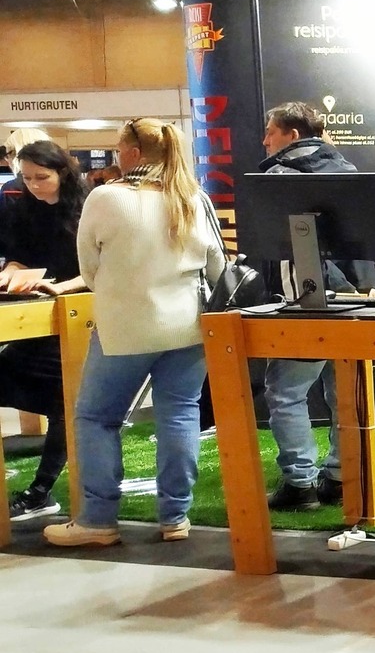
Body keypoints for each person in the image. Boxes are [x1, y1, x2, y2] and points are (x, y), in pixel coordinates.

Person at [45, 118, 224, 547]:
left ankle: (98, 519)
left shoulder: (107, 197)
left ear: (133, 152)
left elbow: (89, 270)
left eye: (118, 147)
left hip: (124, 327)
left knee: (96, 417)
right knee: (179, 414)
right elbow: (218, 265)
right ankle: (175, 517)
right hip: (188, 326)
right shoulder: (193, 196)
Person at [256, 102, 358, 511]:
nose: (265, 140)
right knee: (344, 391)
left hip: (302, 299)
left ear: (292, 135)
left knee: (286, 391)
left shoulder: (279, 176)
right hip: (353, 300)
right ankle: (341, 477)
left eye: (271, 131)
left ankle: (300, 483)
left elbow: (273, 245)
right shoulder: (348, 170)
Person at [0, 141, 90, 519]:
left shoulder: (88, 208)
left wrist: (62, 287)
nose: (34, 185)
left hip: (79, 315)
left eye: (42, 177)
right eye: (27, 178)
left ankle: (40, 491)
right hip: (36, 316)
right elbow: (18, 256)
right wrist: (12, 273)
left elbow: (100, 269)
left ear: (62, 173)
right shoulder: (23, 209)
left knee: (65, 401)